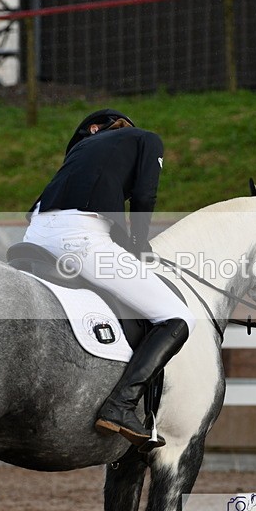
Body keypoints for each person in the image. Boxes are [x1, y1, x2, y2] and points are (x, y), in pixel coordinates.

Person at [23, 109, 196, 448]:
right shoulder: (146, 139)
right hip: (81, 237)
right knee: (177, 316)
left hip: (35, 235)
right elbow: (145, 195)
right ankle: (121, 405)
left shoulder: (79, 154)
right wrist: (139, 245)